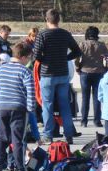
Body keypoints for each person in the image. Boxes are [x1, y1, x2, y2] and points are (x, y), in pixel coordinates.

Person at [33, 9, 82, 144]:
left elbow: (36, 56)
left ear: (46, 20)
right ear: (58, 20)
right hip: (63, 74)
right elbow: (77, 51)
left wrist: (46, 60)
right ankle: (69, 134)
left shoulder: (42, 34)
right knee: (64, 105)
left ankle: (48, 134)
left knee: (47, 105)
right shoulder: (65, 34)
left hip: (47, 74)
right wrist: (65, 58)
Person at [0, 42, 36, 171]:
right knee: (18, 140)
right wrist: (30, 109)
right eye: (29, 58)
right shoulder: (25, 71)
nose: (29, 61)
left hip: (2, 107)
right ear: (23, 57)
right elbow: (31, 92)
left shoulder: (0, 70)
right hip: (19, 109)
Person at [75, 25, 108, 128]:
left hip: (85, 72)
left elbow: (77, 58)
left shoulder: (82, 44)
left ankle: (84, 121)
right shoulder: (101, 45)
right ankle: (97, 120)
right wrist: (105, 68)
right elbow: (106, 58)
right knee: (97, 97)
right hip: (98, 72)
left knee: (85, 98)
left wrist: (77, 68)